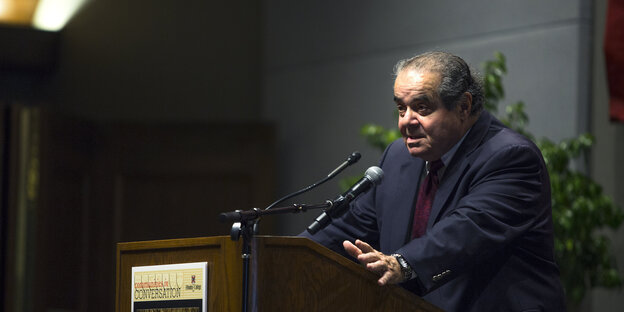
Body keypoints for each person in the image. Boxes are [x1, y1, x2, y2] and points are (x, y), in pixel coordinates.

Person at [301, 51, 566, 311]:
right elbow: (348, 227)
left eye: (421, 108)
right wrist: (280, 254)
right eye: (401, 108)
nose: (406, 122)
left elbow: (466, 230)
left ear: (463, 106)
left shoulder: (510, 156)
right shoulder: (398, 157)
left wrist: (402, 263)